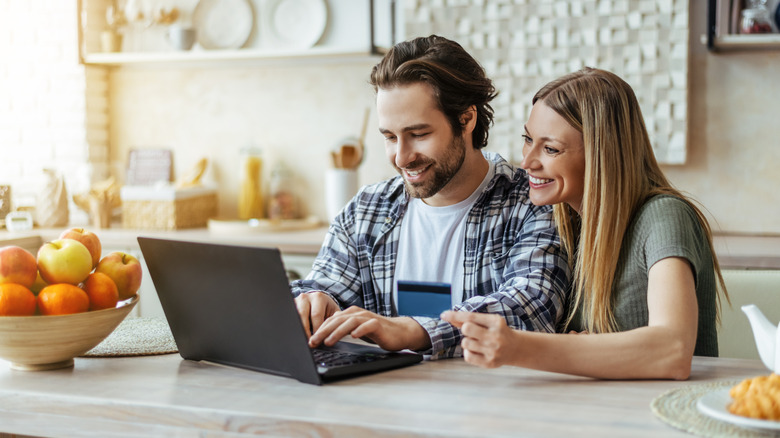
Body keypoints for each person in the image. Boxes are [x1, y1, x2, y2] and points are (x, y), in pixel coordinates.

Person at [291, 35, 571, 359]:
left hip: (492, 405)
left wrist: (416, 330)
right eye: (390, 137)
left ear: (466, 119)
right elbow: (324, 287)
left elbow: (531, 307)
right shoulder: (365, 211)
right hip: (381, 404)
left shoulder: (532, 203)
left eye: (418, 134)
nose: (401, 156)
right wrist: (310, 301)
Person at [442, 67, 730, 379]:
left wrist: (519, 347)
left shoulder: (664, 216)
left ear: (600, 154)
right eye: (528, 139)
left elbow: (672, 350)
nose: (527, 162)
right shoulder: (562, 220)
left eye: (550, 148)